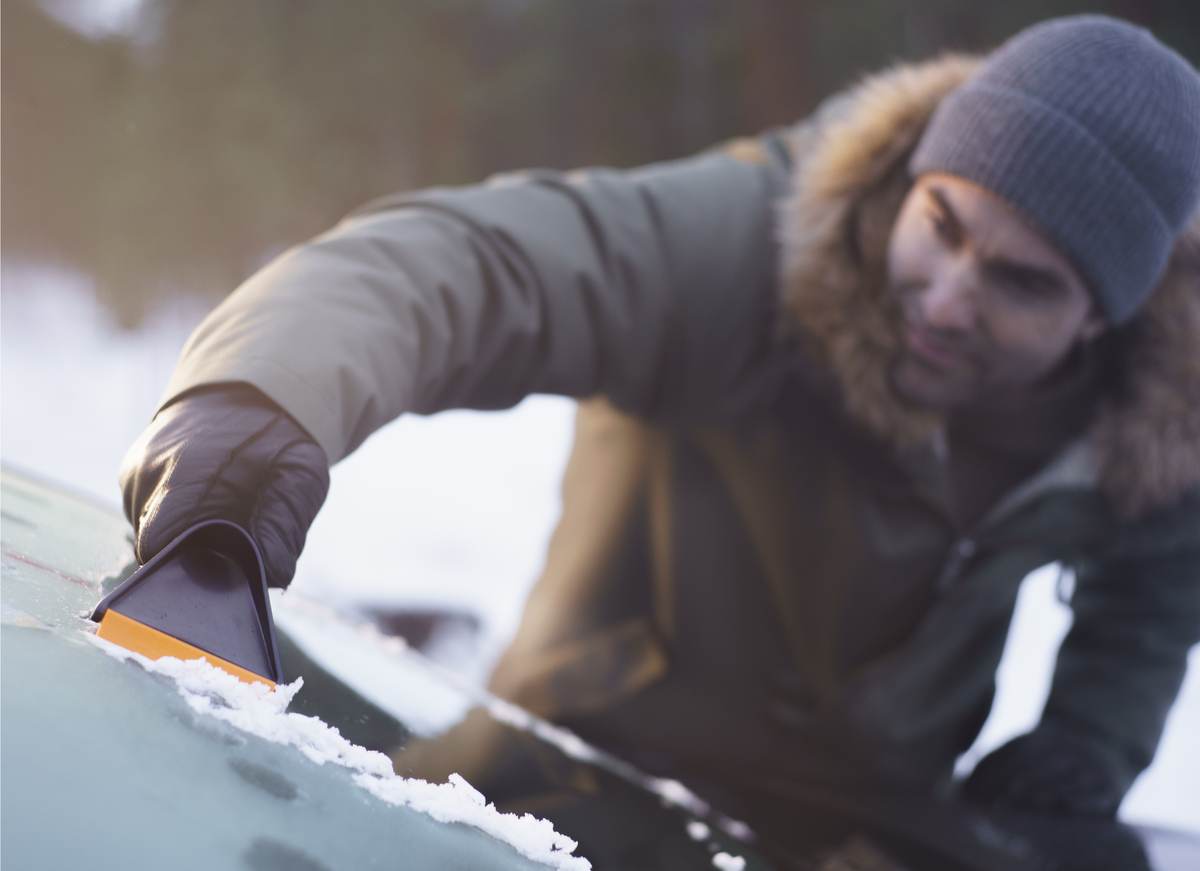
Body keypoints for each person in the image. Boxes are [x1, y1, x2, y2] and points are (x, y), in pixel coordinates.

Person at [120, 13, 1199, 834]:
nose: (950, 296)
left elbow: (1158, 578)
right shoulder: (750, 246)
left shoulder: (1150, 406)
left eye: (1018, 282)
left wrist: (1086, 750)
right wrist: (257, 405)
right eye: (944, 224)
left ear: (1103, 320)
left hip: (862, 834)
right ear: (916, 178)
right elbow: (463, 267)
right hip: (559, 787)